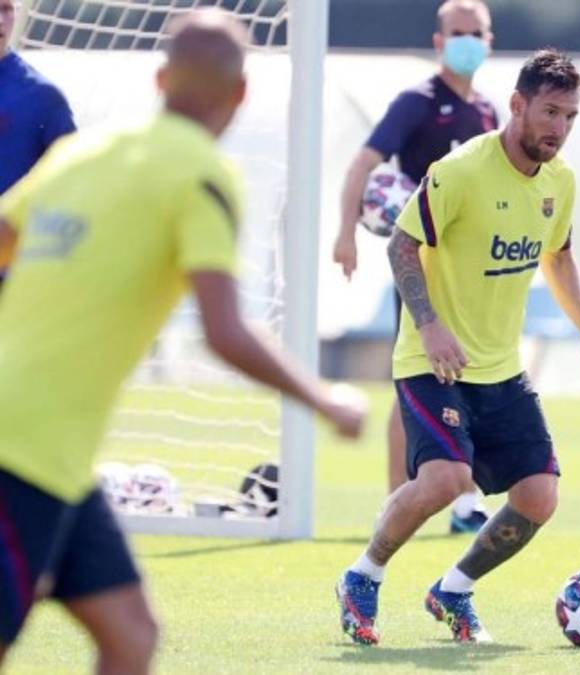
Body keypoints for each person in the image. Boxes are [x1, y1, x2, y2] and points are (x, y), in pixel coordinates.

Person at [0, 11, 365, 673]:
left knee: (130, 633)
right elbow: (225, 331)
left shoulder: (84, 152)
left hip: (60, 453)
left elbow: (4, 236)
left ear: (161, 78)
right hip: (21, 447)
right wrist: (325, 399)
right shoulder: (203, 173)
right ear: (242, 93)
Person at [335, 48, 580, 646]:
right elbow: (401, 246)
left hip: (500, 368)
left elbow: (558, 258)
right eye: (550, 112)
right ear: (518, 104)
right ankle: (363, 575)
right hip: (432, 363)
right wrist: (429, 325)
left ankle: (454, 590)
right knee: (445, 481)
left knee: (539, 497)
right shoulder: (461, 170)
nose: (560, 128)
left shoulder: (560, 182)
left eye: (570, 116)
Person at [333, 0, 497, 534]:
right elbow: (364, 164)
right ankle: (395, 503)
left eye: (475, 33)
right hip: (420, 263)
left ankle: (465, 502)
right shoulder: (417, 103)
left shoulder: (489, 113)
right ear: (439, 41)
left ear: (489, 41)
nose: (467, 41)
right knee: (415, 378)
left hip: (471, 269)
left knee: (472, 375)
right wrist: (346, 232)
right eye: (457, 32)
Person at [0, 0, 76, 286]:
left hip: (11, 276)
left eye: (6, 9)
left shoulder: (42, 97)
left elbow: (74, 181)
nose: (1, 20)